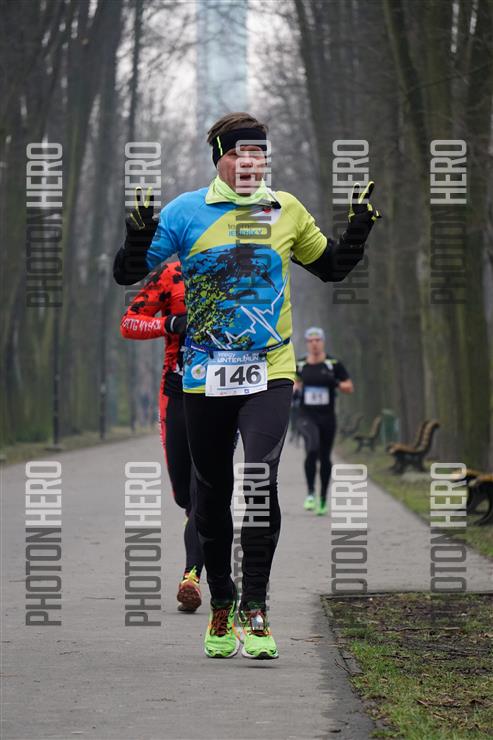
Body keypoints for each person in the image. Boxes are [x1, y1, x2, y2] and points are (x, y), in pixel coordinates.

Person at [113, 111, 381, 660]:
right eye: (239, 153)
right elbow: (126, 273)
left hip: (270, 370)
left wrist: (358, 231)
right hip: (204, 374)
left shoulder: (286, 209)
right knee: (211, 494)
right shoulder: (186, 212)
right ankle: (221, 601)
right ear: (220, 158)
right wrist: (137, 238)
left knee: (259, 481)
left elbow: (331, 267)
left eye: (259, 153)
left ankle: (255, 607)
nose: (250, 163)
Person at [120, 261, 204, 612]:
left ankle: (191, 576)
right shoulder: (172, 273)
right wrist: (168, 323)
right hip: (177, 390)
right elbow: (129, 323)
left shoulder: (237, 266)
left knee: (204, 492)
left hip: (220, 393)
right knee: (184, 493)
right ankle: (196, 531)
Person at [295, 327, 353, 515]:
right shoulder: (300, 365)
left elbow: (349, 387)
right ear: (307, 343)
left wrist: (335, 383)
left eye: (317, 340)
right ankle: (310, 493)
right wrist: (294, 389)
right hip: (306, 416)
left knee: (325, 457)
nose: (314, 344)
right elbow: (293, 384)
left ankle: (322, 499)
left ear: (323, 342)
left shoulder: (333, 364)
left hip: (327, 417)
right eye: (310, 341)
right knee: (312, 448)